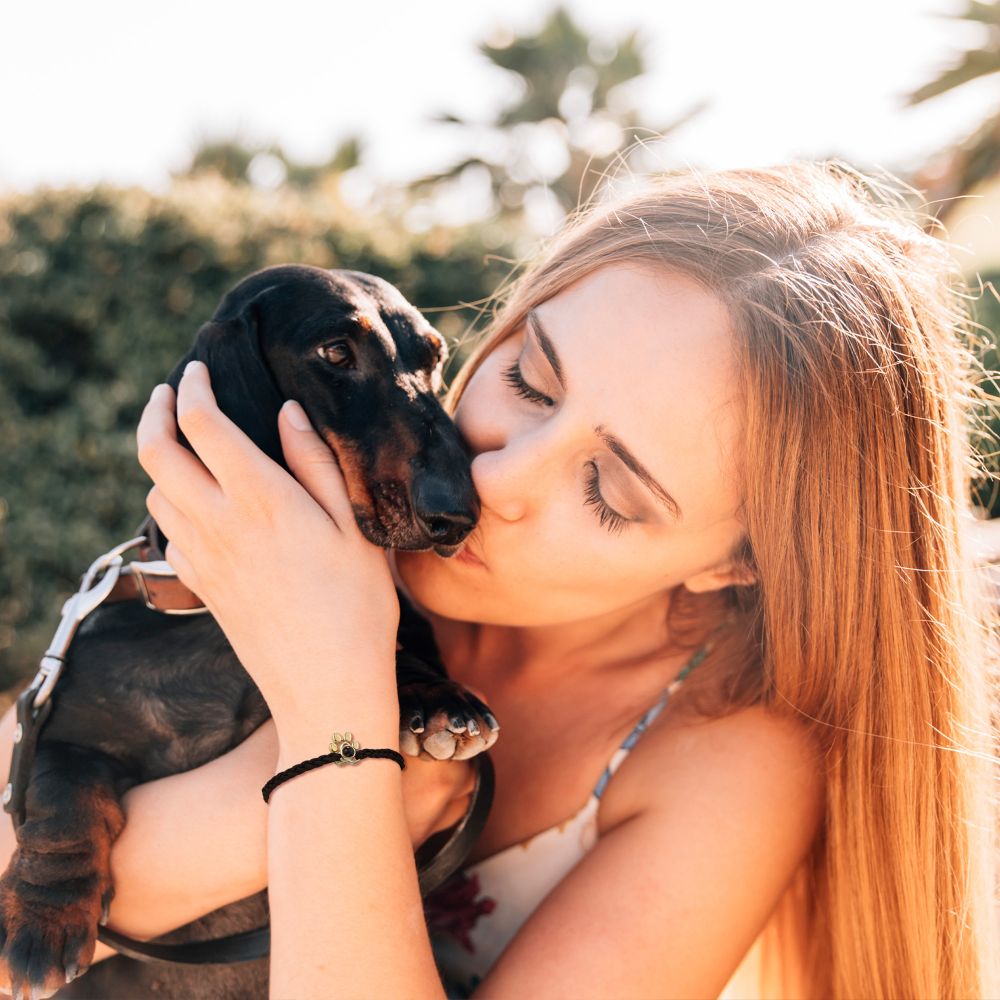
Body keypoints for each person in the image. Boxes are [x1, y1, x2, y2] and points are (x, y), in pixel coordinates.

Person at [0, 161, 996, 999]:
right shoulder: (341, 522)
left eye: (606, 488)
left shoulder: (721, 757)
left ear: (737, 559)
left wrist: (336, 707)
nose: (491, 478)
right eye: (527, 377)